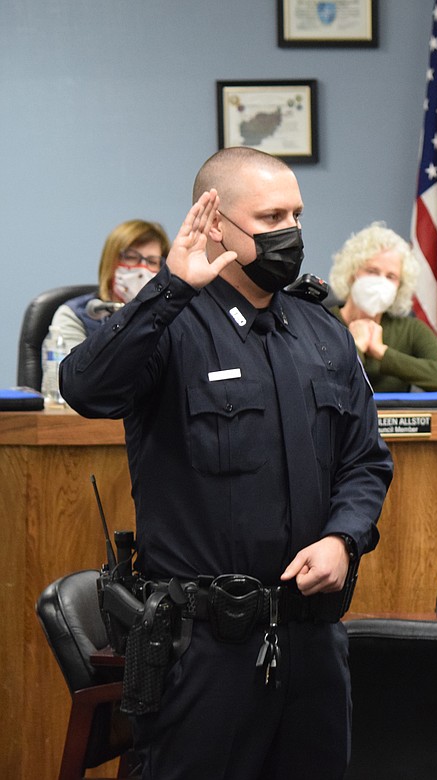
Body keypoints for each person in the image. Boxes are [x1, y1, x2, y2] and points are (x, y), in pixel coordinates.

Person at [60, 147, 393, 779]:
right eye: (270, 217)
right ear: (216, 222)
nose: (290, 232)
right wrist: (169, 288)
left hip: (311, 640)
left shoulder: (321, 330)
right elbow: (86, 390)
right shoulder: (172, 323)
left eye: (296, 213)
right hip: (204, 648)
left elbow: (364, 460)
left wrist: (344, 539)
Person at [328, 222, 437, 392]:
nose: (381, 282)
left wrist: (382, 353)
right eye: (372, 271)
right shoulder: (323, 322)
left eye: (391, 276)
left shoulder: (409, 329)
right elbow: (324, 384)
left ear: (400, 286)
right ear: (352, 273)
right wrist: (357, 347)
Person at [45, 219, 170, 357]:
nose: (142, 269)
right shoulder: (75, 315)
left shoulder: (170, 317)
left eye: (152, 262)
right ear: (110, 262)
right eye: (130, 257)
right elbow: (65, 377)